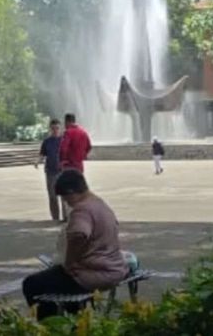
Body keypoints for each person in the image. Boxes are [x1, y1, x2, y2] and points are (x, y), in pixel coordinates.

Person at [22, 170, 128, 321]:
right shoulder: (100, 203)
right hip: (115, 268)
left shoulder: (82, 210)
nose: (66, 202)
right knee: (57, 280)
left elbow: (79, 234)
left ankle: (51, 326)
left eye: (65, 198)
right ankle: (74, 320)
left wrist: (70, 261)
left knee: (32, 284)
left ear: (71, 192)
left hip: (93, 274)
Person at [34, 119, 64, 222]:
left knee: (64, 197)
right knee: (52, 196)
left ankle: (66, 218)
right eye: (53, 128)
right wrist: (38, 161)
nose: (55, 130)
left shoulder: (64, 140)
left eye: (57, 128)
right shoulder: (47, 141)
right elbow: (42, 153)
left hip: (62, 172)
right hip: (50, 172)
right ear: (50, 129)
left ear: (60, 128)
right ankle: (55, 218)